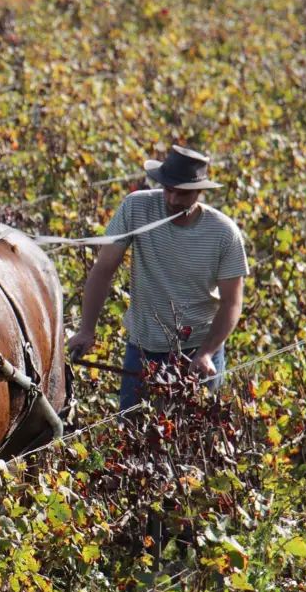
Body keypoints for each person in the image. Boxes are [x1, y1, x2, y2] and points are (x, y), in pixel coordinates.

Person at [67, 145, 248, 411]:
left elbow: (232, 303)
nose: (173, 199)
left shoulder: (223, 233)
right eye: (168, 189)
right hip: (142, 348)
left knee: (193, 440)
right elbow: (103, 269)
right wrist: (86, 329)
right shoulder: (136, 207)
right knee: (132, 431)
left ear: (200, 191)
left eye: (183, 193)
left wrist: (206, 352)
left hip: (196, 350)